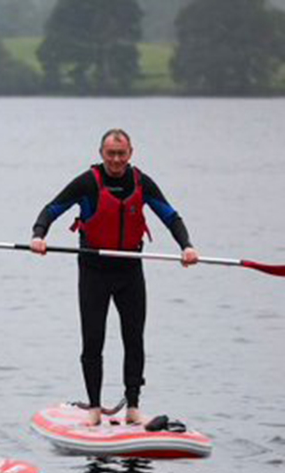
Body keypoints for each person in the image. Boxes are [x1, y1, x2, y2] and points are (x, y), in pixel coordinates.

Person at [30, 129, 199, 427]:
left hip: (130, 270)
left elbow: (171, 216)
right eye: (111, 154)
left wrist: (186, 246)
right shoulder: (86, 182)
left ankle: (133, 407)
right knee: (93, 340)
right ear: (101, 153)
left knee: (134, 338)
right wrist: (38, 236)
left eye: (122, 154)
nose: (117, 160)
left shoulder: (141, 183)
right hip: (94, 270)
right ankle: (94, 408)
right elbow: (51, 209)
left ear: (131, 153)